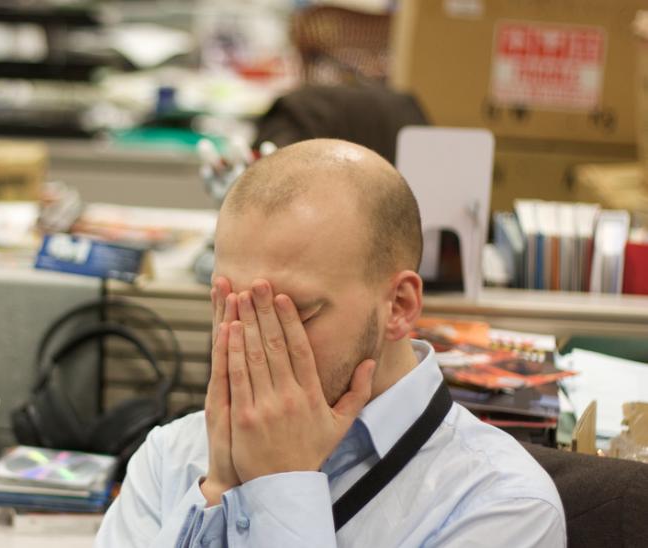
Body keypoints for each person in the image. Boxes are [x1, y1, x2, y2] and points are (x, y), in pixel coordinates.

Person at [95, 139, 565, 547]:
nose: (251, 342)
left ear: (399, 305)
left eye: (294, 313)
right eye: (230, 309)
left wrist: (282, 484)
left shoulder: (503, 507)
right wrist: (218, 487)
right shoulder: (171, 456)